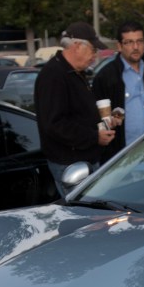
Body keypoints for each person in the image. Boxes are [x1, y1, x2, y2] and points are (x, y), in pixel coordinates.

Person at [34, 22, 116, 193]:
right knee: (82, 215)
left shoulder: (76, 73)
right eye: (93, 50)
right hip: (70, 165)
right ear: (77, 46)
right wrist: (94, 137)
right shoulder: (54, 75)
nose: (95, 56)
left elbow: (80, 114)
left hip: (83, 161)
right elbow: (55, 124)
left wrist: (104, 123)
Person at [92, 21, 144, 163]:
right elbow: (95, 118)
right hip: (122, 159)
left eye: (139, 41)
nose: (136, 47)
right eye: (129, 42)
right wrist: (110, 121)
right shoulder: (106, 76)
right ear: (119, 46)